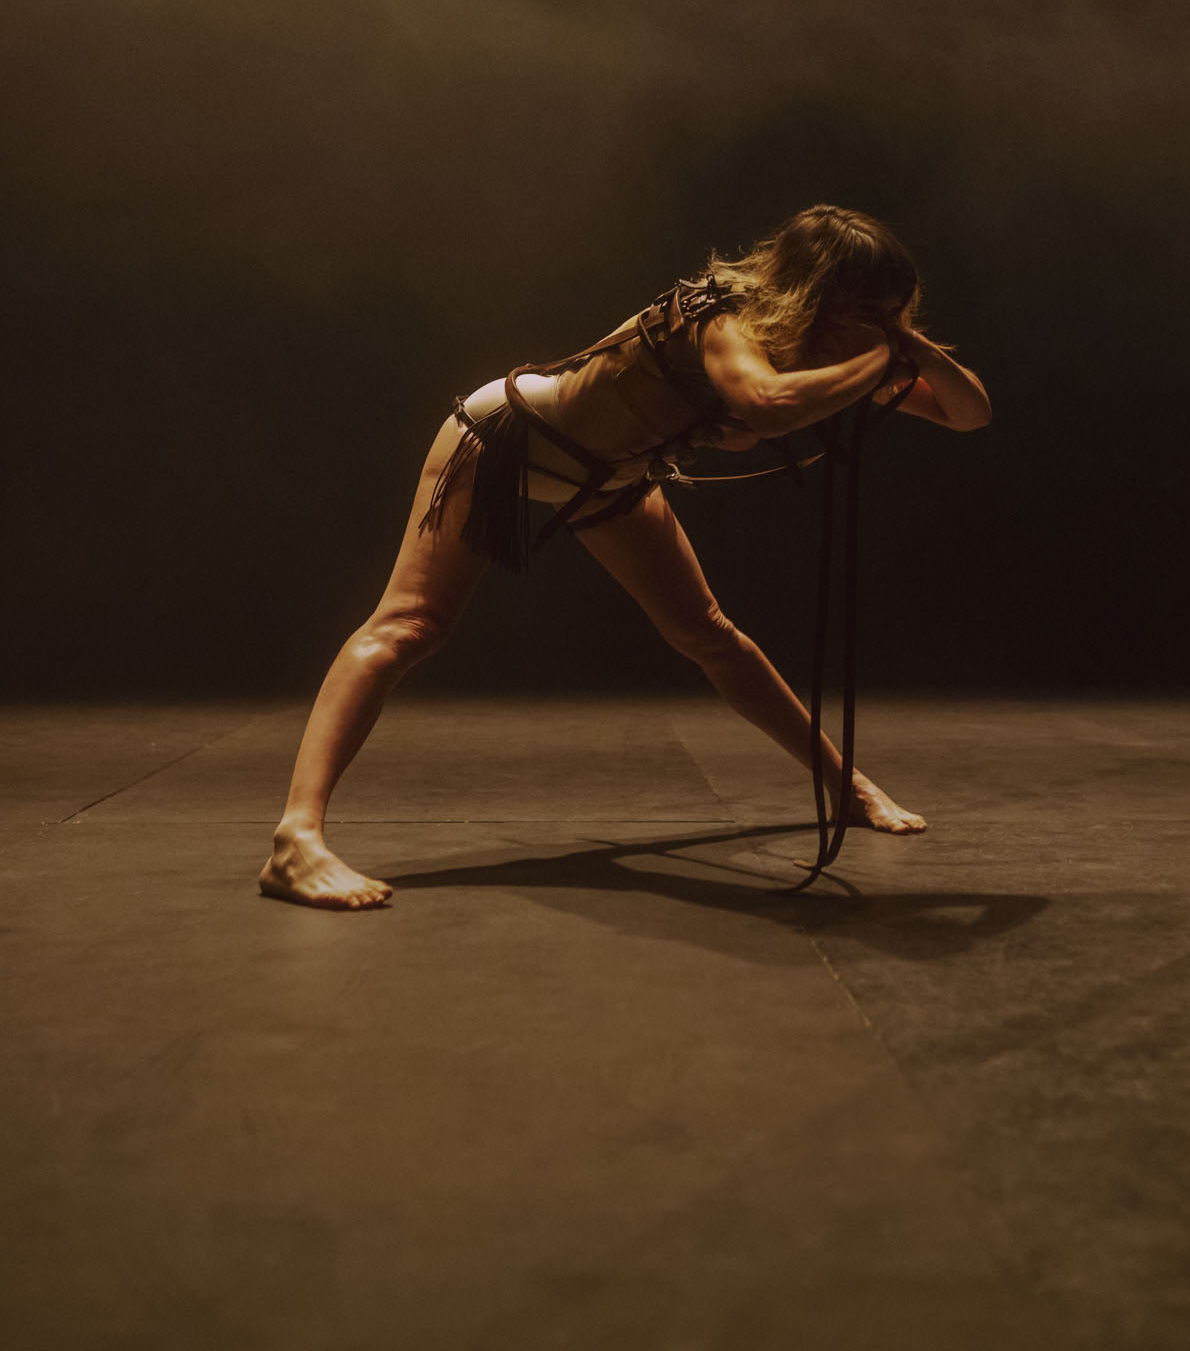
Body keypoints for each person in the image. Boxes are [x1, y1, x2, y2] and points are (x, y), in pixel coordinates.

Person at [258, 204, 992, 909]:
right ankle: (296, 840)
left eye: (887, 312)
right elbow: (768, 404)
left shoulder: (834, 352)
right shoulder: (723, 315)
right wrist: (875, 360)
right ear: (815, 294)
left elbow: (968, 414)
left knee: (710, 637)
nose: (871, 331)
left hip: (609, 479)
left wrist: (909, 345)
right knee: (411, 628)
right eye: (863, 312)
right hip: (507, 440)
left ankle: (849, 789)